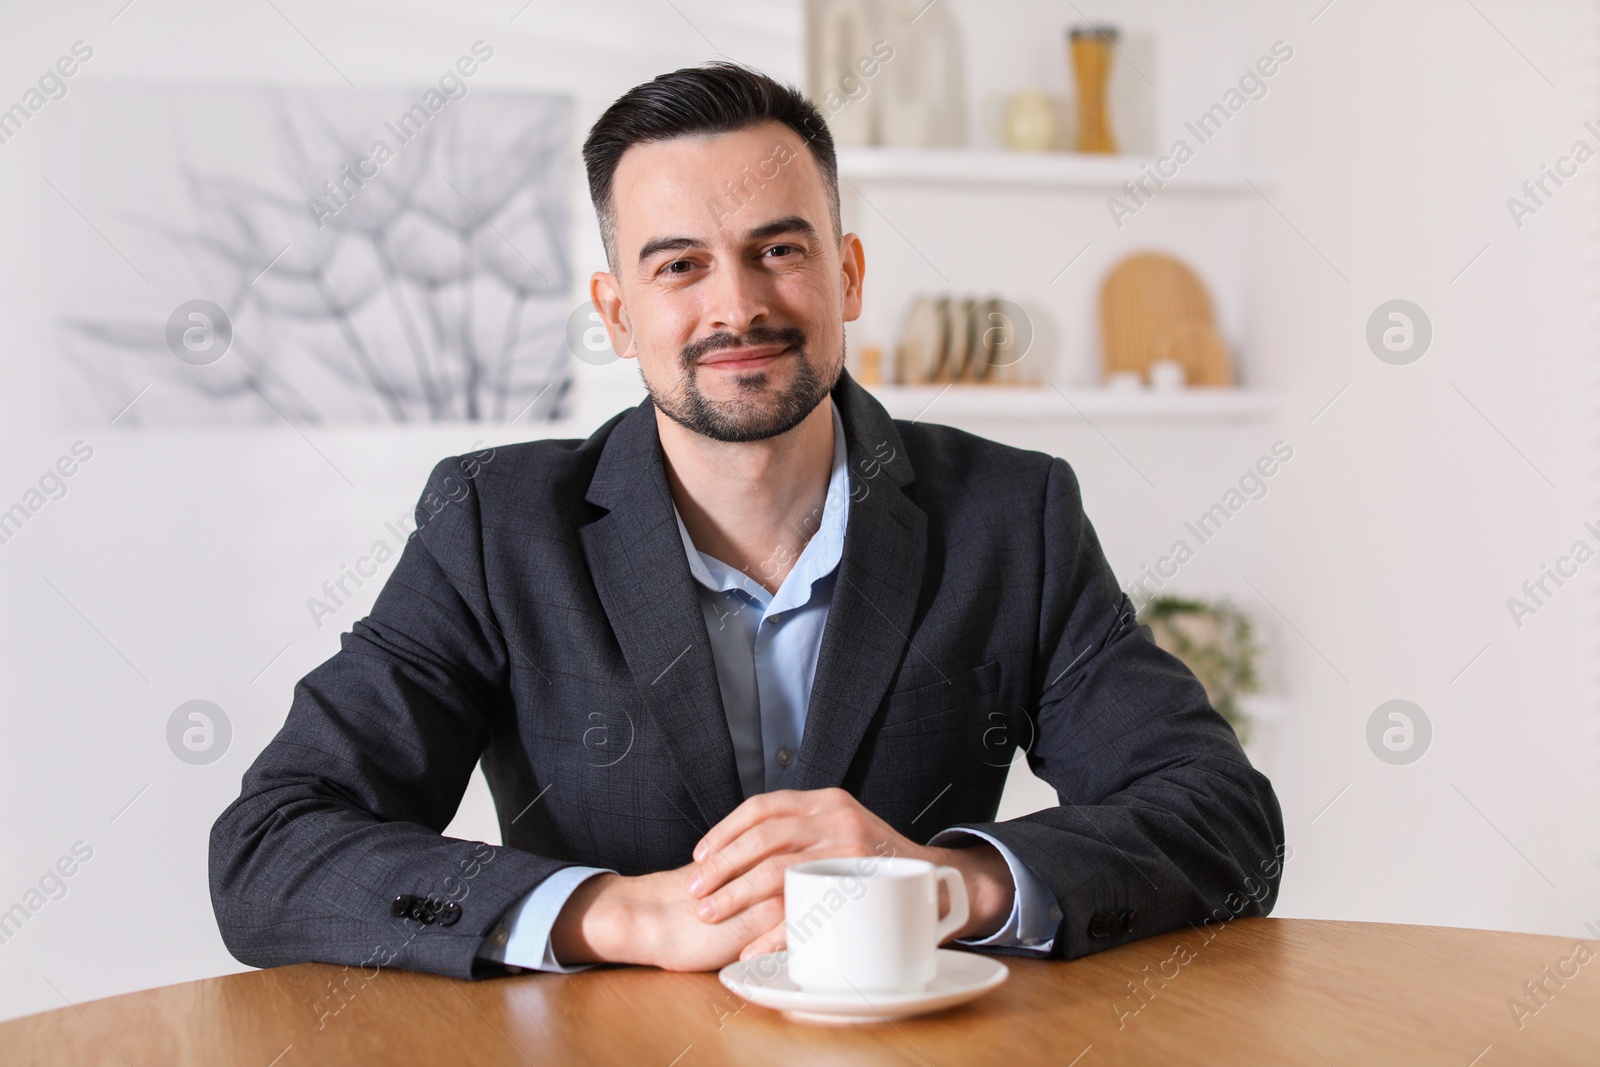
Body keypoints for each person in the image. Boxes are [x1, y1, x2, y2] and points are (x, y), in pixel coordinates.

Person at [209, 61, 1284, 980]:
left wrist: (946, 882)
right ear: (618, 313)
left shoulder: (1013, 512)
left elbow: (1222, 819)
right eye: (679, 264)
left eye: (780, 249)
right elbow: (269, 849)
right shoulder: (492, 526)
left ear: (846, 273)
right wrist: (622, 912)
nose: (738, 306)